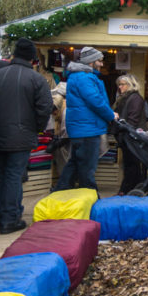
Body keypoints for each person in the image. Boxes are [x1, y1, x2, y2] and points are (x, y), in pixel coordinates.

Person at [0, 39, 52, 232]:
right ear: (32, 58)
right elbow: (44, 109)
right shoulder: (36, 79)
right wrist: (35, 128)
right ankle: (9, 218)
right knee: (13, 177)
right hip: (21, 137)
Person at [53, 47, 117, 192]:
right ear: (90, 62)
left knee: (74, 164)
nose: (101, 64)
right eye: (99, 61)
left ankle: (60, 192)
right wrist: (111, 115)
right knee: (87, 167)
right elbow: (95, 100)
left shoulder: (78, 76)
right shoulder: (84, 78)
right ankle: (91, 196)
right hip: (87, 129)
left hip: (81, 128)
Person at [113, 73, 148, 194]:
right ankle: (135, 189)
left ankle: (127, 189)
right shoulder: (125, 98)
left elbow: (133, 120)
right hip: (127, 136)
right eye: (119, 85)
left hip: (132, 137)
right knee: (130, 164)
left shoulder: (135, 98)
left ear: (131, 85)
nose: (120, 87)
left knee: (132, 164)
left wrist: (122, 127)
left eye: (123, 84)